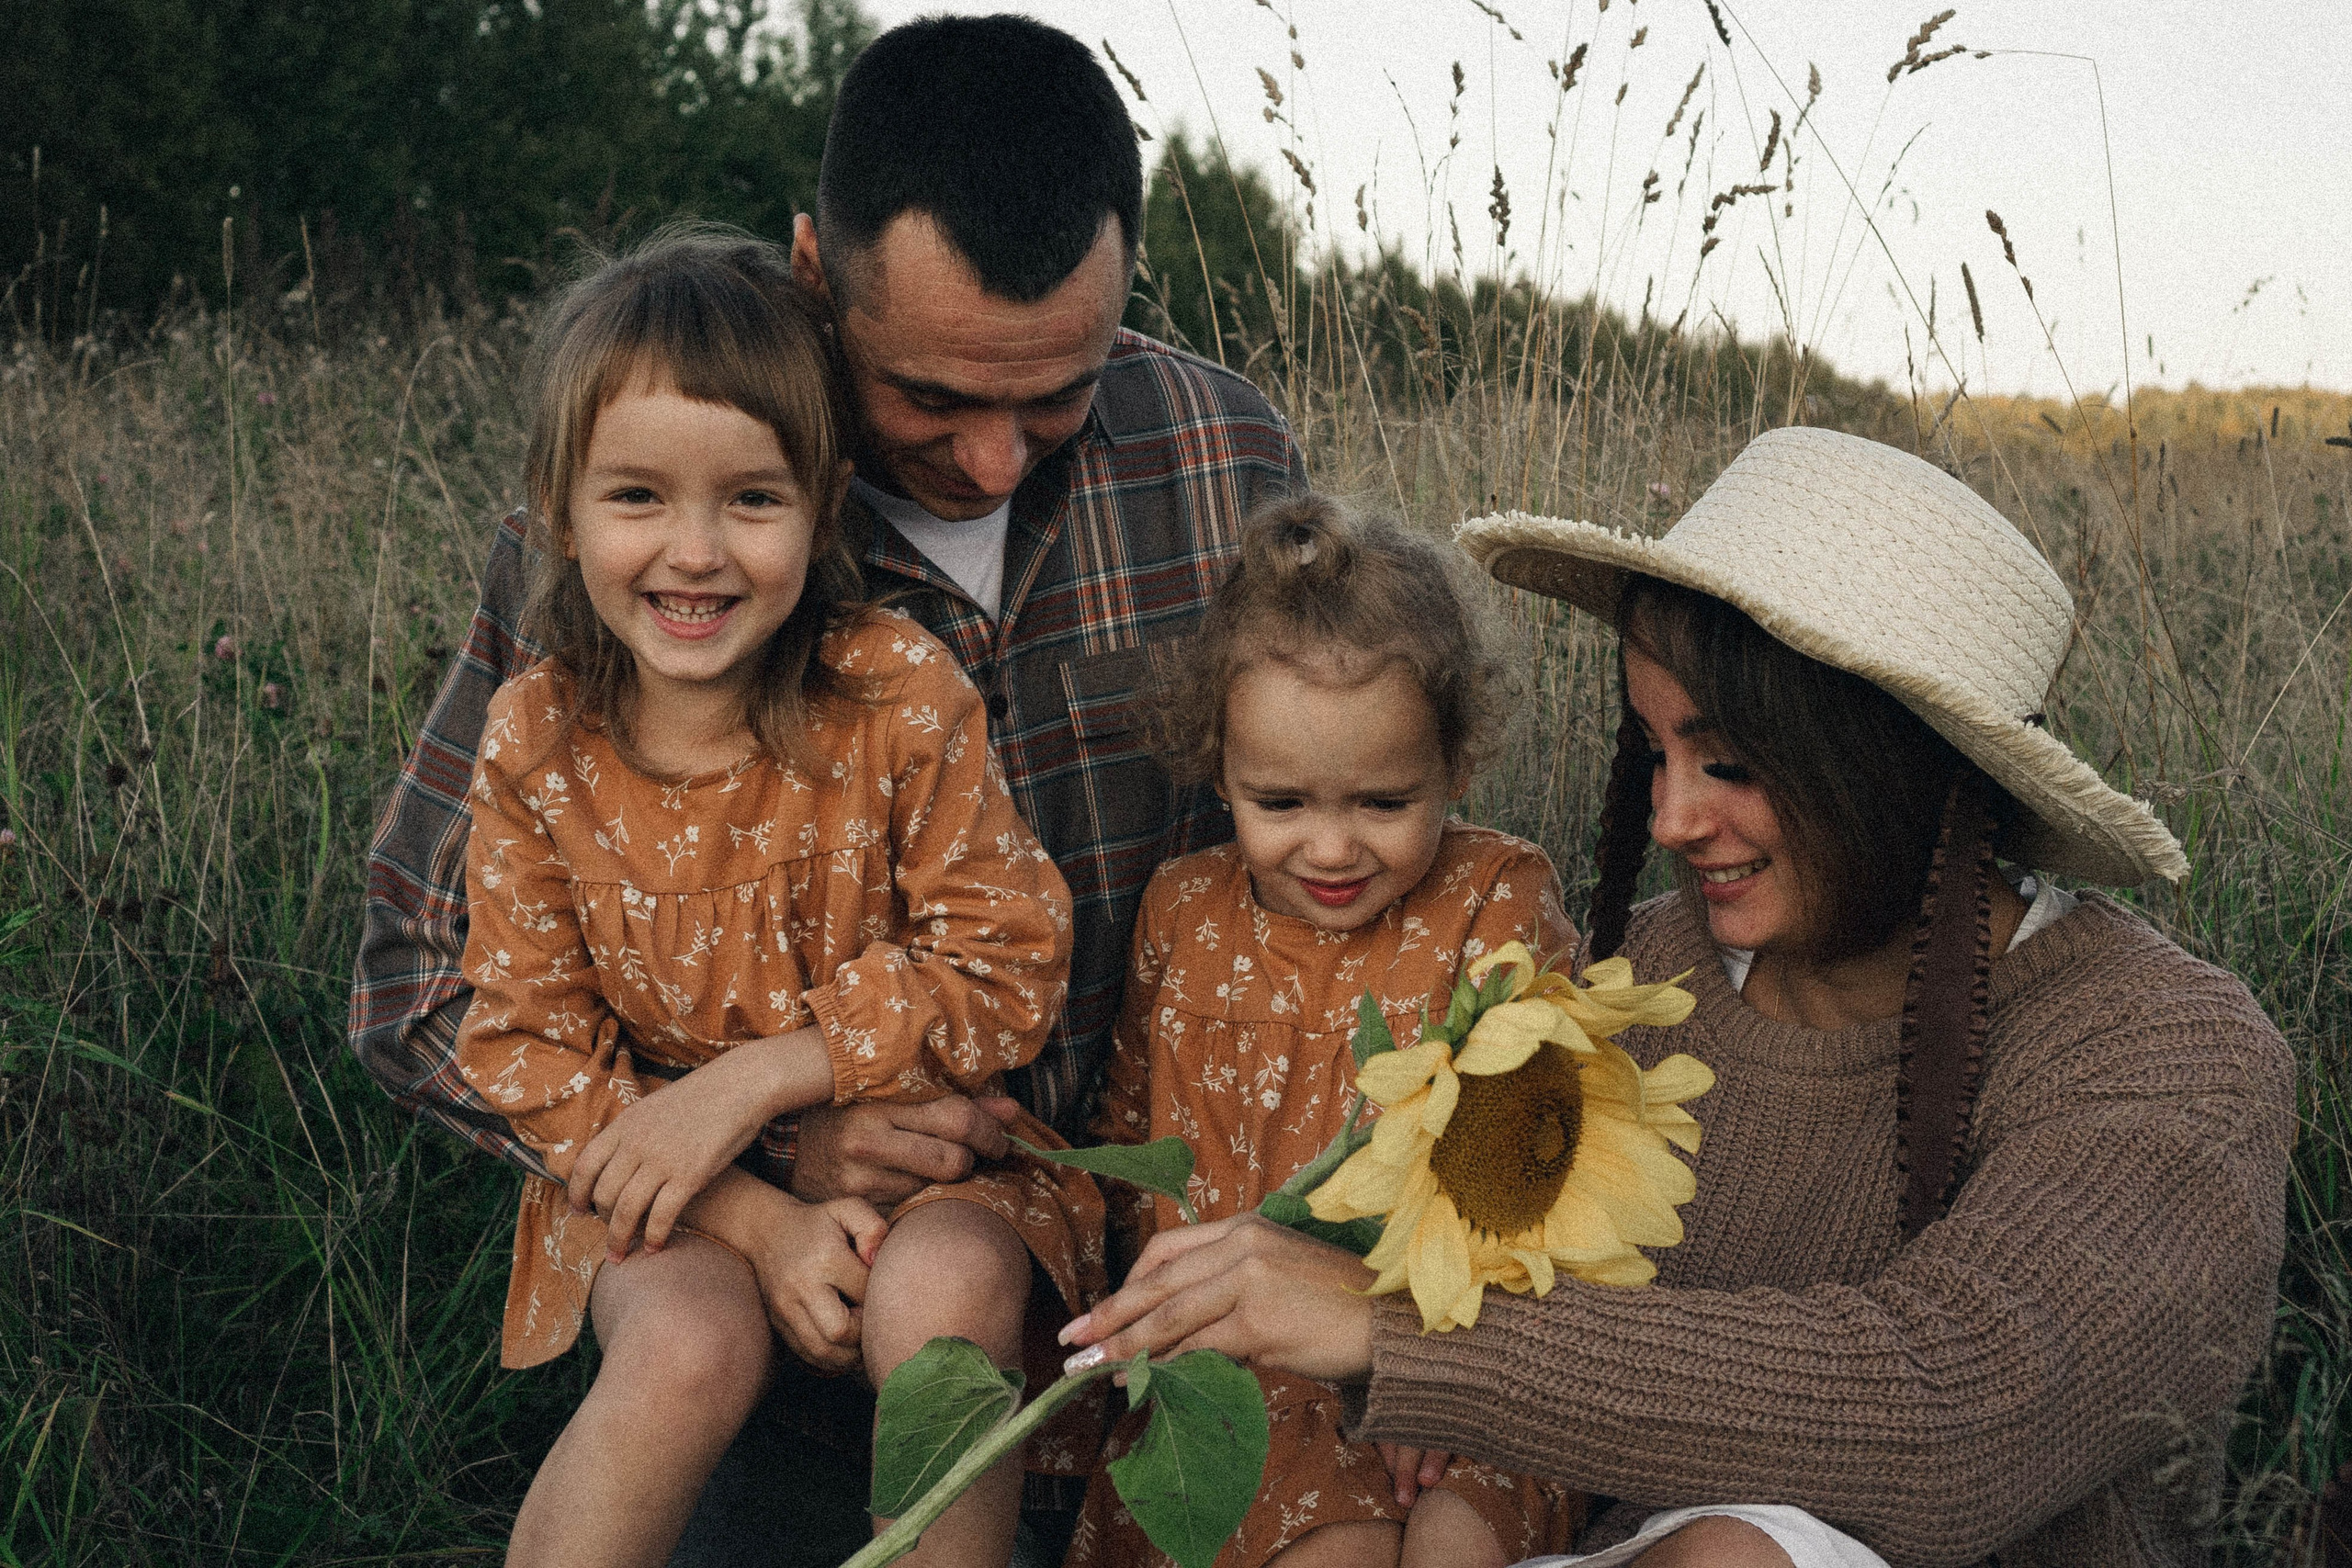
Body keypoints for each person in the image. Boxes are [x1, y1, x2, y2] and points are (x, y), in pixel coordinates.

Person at [347, 15, 1303, 1562]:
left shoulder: (1224, 457)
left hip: (1130, 1295)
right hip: (760, 1326)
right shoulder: (643, 535)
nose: (996, 460)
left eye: (1058, 394)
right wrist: (759, 1150)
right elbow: (417, 979)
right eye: (931, 397)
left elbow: (1308, 872)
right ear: (814, 269)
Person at [1058, 428, 2295, 1568]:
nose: (1669, 819)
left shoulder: (2160, 1051)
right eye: (1654, 754)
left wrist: (1407, 1335)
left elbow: (1959, 1412)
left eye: (1731, 763)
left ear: (1894, 763)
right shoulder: (1628, 985)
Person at [451, 228, 1102, 1568]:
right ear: (559, 508)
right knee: (687, 1342)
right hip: (666, 1189)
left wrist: (760, 1078)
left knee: (947, 1285)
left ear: (825, 504)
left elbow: (1009, 957)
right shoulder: (538, 737)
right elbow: (522, 1045)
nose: (694, 552)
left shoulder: (893, 694)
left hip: (921, 1172)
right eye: (638, 496)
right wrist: (755, 1212)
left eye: (752, 499)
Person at [1068, 496, 1582, 1568]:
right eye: (1281, 803)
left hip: (1460, 1349)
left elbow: (1537, 1169)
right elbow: (1126, 1134)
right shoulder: (1183, 909)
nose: (1333, 848)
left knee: (1455, 1538)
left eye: (1384, 803)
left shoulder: (1494, 898)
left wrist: (1427, 1363)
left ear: (1456, 766)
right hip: (1237, 1374)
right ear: (1220, 769)